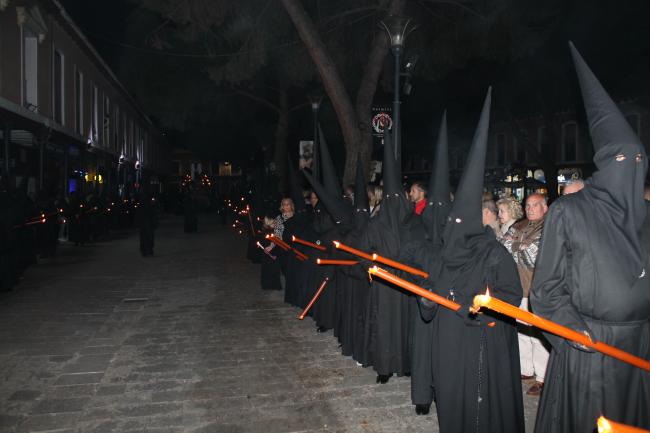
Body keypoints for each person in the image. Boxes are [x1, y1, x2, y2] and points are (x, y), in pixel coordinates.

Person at [531, 44, 650, 432]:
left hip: (640, 350)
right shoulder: (570, 212)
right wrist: (571, 329)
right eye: (621, 160)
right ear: (603, 164)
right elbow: (545, 290)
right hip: (591, 351)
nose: (629, 168)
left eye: (638, 161)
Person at [419, 89, 525, 433]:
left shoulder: (494, 253)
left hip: (479, 343)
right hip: (446, 345)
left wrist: (482, 310)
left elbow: (510, 296)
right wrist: (427, 301)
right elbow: (431, 295)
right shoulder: (444, 252)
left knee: (477, 411)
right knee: (451, 403)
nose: (452, 229)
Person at [502, 193, 549, 396]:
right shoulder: (520, 225)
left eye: (535, 205)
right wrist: (518, 246)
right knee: (521, 331)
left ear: (544, 207)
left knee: (537, 334)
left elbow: (534, 257)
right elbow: (501, 246)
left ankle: (542, 377)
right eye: (528, 205)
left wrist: (514, 245)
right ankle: (526, 369)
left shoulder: (548, 227)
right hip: (518, 286)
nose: (530, 209)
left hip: (536, 288)